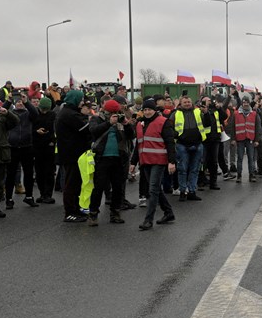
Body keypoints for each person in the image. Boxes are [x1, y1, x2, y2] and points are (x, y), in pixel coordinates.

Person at [130, 99, 177, 230]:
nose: (147, 112)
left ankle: (148, 220)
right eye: (145, 110)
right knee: (156, 189)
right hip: (145, 161)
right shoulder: (140, 124)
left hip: (159, 160)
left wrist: (171, 161)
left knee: (152, 190)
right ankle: (168, 213)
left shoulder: (163, 122)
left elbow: (170, 143)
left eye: (149, 109)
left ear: (154, 110)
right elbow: (138, 144)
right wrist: (133, 162)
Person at [86, 100, 134, 225]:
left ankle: (115, 213)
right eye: (112, 113)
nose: (115, 115)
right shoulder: (97, 119)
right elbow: (93, 131)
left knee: (118, 188)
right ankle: (93, 214)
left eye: (116, 112)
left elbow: (131, 136)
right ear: (105, 111)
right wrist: (108, 123)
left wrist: (127, 124)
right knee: (98, 187)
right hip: (102, 158)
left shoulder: (121, 120)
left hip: (119, 158)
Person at [55, 89, 92, 223]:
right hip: (72, 154)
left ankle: (75, 209)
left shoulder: (67, 112)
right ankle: (70, 212)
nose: (82, 102)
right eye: (81, 99)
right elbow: (87, 129)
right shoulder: (69, 114)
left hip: (72, 153)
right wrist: (95, 120)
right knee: (71, 184)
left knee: (76, 184)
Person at [4, 94, 39, 209]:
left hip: (27, 147)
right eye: (17, 101)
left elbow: (36, 114)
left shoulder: (28, 113)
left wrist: (27, 102)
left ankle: (29, 197)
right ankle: (9, 199)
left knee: (28, 173)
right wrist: (8, 101)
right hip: (12, 147)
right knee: (10, 174)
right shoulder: (9, 114)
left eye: (21, 101)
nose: (19, 103)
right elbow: (1, 112)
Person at [172, 94, 206, 201]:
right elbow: (169, 127)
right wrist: (177, 136)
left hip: (197, 144)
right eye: (185, 102)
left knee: (195, 169)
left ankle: (192, 191)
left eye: (189, 102)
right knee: (182, 169)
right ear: (180, 104)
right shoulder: (175, 114)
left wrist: (206, 112)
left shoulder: (198, 112)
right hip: (182, 145)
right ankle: (183, 191)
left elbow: (206, 123)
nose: (187, 104)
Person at [31, 96, 57, 203]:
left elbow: (56, 130)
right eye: (43, 109)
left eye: (46, 109)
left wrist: (53, 141)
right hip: (37, 146)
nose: (44, 111)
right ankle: (42, 193)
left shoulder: (53, 115)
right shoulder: (35, 115)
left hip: (49, 146)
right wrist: (36, 131)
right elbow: (30, 128)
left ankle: (48, 194)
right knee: (39, 171)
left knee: (50, 171)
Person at [232, 96, 259, 183]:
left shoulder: (254, 114)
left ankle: (251, 175)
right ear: (242, 103)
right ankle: (239, 176)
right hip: (240, 139)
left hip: (250, 138)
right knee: (239, 158)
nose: (246, 104)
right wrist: (233, 139)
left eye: (247, 102)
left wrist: (256, 140)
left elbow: (258, 128)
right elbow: (232, 127)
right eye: (244, 102)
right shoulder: (236, 113)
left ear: (249, 103)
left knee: (251, 158)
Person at [199, 96, 223, 190]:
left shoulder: (214, 110)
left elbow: (224, 117)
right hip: (204, 139)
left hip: (215, 139)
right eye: (206, 100)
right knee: (202, 161)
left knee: (213, 162)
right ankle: (201, 182)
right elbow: (206, 123)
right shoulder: (199, 111)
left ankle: (213, 183)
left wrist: (219, 108)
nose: (208, 102)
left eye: (209, 100)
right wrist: (205, 112)